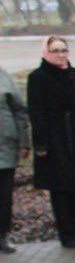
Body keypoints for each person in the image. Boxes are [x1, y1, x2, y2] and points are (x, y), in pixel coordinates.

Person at [29, 36, 75, 248]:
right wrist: (41, 144)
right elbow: (36, 112)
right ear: (46, 53)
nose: (61, 54)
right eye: (56, 50)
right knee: (60, 189)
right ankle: (68, 234)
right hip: (54, 140)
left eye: (64, 50)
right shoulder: (37, 77)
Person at [0, 65, 29, 253]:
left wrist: (24, 142)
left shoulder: (3, 77)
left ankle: (2, 235)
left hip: (5, 150)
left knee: (4, 197)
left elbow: (19, 111)